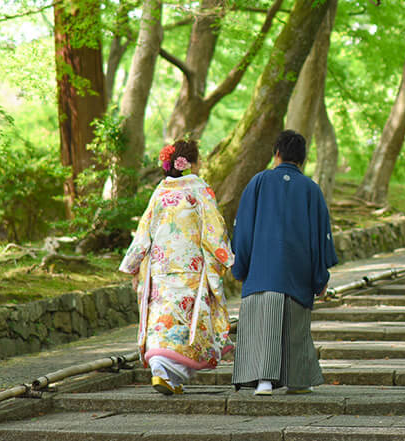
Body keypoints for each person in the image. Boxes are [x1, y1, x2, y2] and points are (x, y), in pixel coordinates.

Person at [118, 139, 233, 395]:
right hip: (190, 268)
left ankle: (162, 372)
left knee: (162, 319)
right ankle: (172, 373)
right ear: (192, 162)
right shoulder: (200, 189)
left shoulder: (160, 191)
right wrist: (227, 258)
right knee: (186, 322)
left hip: (159, 269)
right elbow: (214, 229)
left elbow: (143, 232)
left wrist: (134, 264)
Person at [231, 129, 339, 395]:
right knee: (296, 330)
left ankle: (263, 381)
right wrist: (319, 278)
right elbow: (321, 237)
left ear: (276, 153)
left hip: (262, 272)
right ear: (302, 159)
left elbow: (243, 230)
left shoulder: (258, 182)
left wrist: (241, 267)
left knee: (263, 325)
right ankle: (299, 380)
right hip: (298, 273)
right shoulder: (312, 190)